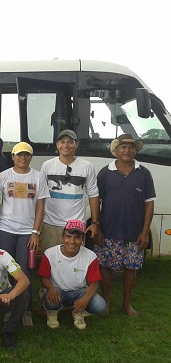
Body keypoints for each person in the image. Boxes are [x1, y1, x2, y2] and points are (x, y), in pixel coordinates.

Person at [94, 134, 156, 316]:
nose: (127, 150)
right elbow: (96, 201)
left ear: (135, 151)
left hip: (135, 233)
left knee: (131, 269)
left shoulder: (144, 173)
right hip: (109, 230)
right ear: (116, 151)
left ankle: (126, 304)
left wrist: (145, 232)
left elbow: (149, 203)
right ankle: (105, 303)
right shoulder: (105, 173)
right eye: (123, 147)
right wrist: (97, 226)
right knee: (106, 268)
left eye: (131, 147)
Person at [0, 142, 49, 327]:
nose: (22, 158)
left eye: (26, 155)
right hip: (4, 229)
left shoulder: (38, 176)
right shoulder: (3, 176)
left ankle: (26, 311)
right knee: (7, 270)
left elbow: (40, 206)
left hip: (27, 232)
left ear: (30, 157)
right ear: (13, 157)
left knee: (24, 271)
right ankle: (8, 309)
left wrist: (35, 232)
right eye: (19, 155)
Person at [39, 219, 107, 329]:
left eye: (77, 237)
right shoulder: (50, 253)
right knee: (50, 296)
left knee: (100, 306)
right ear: (62, 238)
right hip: (58, 291)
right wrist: (51, 288)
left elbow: (94, 283)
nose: (72, 241)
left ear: (82, 240)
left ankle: (78, 312)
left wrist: (86, 298)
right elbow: (43, 278)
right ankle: (52, 314)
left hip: (79, 291)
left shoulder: (90, 256)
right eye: (68, 237)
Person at [39, 129, 100, 250]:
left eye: (70, 142)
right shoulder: (47, 166)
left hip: (76, 224)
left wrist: (94, 223)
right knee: (50, 261)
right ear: (57, 145)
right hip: (51, 224)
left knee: (74, 262)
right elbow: (40, 196)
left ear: (76, 145)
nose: (65, 145)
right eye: (62, 142)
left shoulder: (87, 166)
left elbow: (93, 195)